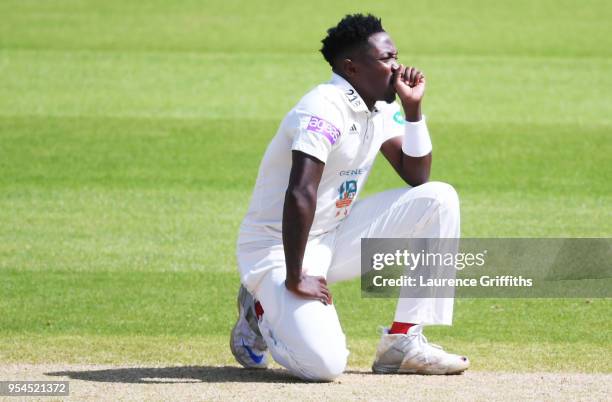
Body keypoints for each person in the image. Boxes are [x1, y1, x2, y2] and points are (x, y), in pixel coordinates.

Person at [230, 13, 469, 381]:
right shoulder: (323, 107)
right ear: (352, 67)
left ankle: (403, 342)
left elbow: (416, 174)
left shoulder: (380, 107)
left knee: (438, 198)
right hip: (278, 247)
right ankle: (260, 312)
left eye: (396, 56)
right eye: (386, 59)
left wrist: (413, 110)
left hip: (332, 237)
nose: (397, 67)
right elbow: (300, 191)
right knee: (325, 366)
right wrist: (296, 276)